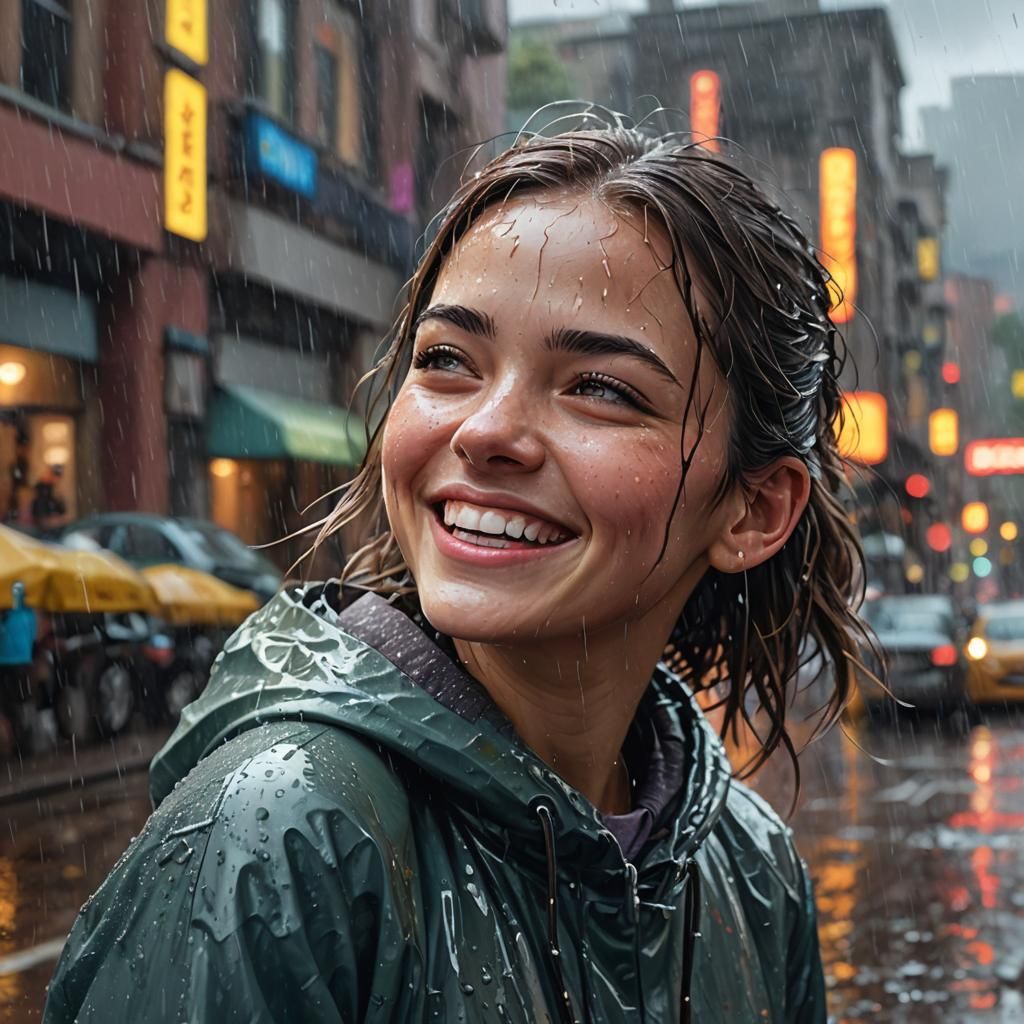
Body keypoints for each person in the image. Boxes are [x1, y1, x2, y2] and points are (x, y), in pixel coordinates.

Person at [44, 121, 873, 1022]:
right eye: (447, 362)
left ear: (755, 509)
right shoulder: (276, 836)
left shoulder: (752, 874)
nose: (484, 432)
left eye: (600, 386)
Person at [0, 580, 38, 754]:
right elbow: (33, 635)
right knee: (22, 702)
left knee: (9, 704)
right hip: (24, 663)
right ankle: (24, 743)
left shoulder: (6, 614)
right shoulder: (29, 613)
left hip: (6, 663)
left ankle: (15, 743)